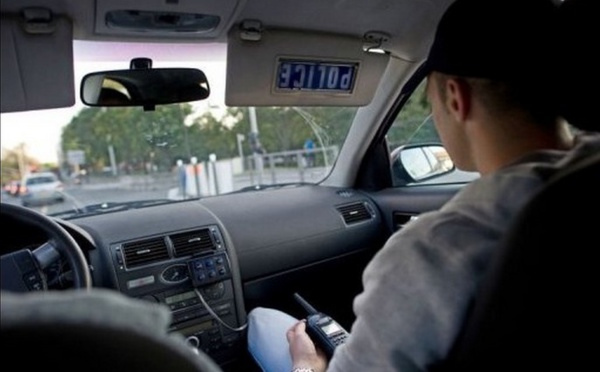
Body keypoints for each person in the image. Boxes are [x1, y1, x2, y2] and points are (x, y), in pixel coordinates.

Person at [246, 0, 600, 371]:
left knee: (269, 328)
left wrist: (307, 365)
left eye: (429, 97)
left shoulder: (433, 253)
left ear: (454, 97)